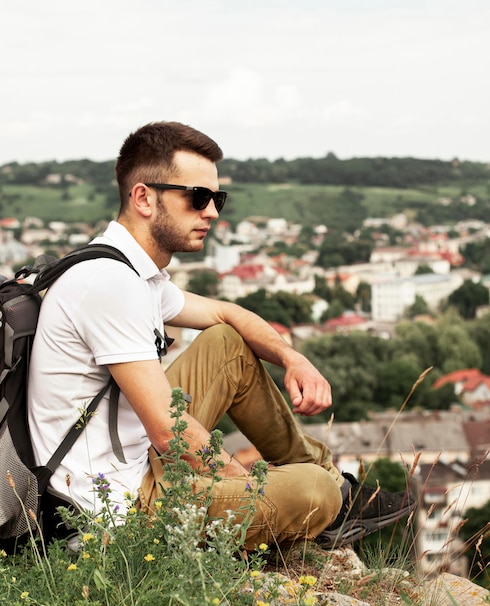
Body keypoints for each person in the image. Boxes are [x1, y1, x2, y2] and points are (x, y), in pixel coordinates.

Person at [27, 121, 416, 550]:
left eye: (217, 198)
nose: (212, 211)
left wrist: (293, 359)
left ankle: (337, 495)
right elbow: (169, 432)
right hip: (116, 505)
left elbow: (226, 313)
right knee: (311, 493)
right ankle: (330, 496)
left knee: (226, 342)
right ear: (143, 198)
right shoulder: (110, 284)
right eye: (197, 197)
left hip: (137, 460)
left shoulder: (130, 272)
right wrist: (248, 490)